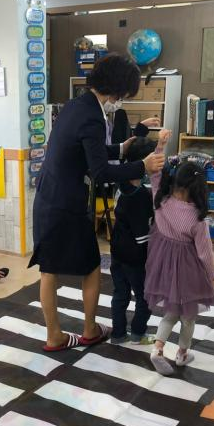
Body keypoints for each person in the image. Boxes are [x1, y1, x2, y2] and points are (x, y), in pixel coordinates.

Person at [29, 53, 166, 352]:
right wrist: (142, 166)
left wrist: (120, 148)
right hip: (68, 205)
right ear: (117, 88)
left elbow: (86, 150)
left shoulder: (76, 106)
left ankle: (54, 336)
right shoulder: (93, 116)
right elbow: (100, 171)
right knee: (91, 266)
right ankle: (90, 331)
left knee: (48, 270)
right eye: (123, 94)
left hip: (48, 199)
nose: (120, 101)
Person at [144, 135, 214, 375]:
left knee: (171, 312)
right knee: (188, 316)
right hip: (187, 271)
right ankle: (182, 353)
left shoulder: (161, 199)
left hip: (162, 266)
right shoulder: (197, 219)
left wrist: (160, 146)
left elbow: (155, 173)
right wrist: (213, 277)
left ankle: (157, 349)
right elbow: (205, 254)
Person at [109, 135, 158, 346]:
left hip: (117, 249)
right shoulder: (140, 197)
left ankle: (118, 334)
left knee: (120, 294)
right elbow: (142, 236)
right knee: (145, 297)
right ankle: (138, 333)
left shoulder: (121, 184)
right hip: (135, 256)